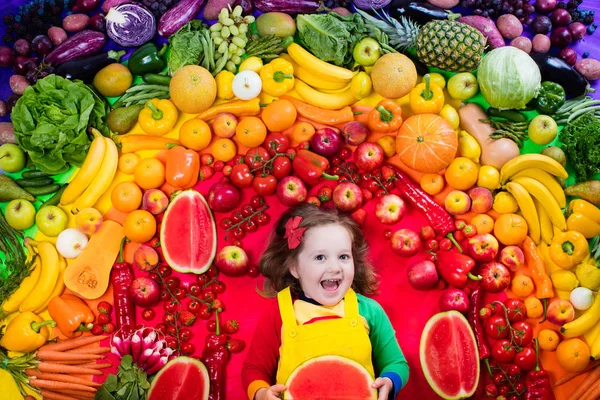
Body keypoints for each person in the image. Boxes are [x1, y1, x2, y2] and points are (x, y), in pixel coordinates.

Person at [241, 203, 409, 400]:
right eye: (320, 257)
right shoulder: (279, 314)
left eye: (344, 256)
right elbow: (253, 369)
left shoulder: (370, 310)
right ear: (294, 267)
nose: (335, 267)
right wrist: (261, 393)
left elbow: (397, 363)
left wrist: (390, 380)